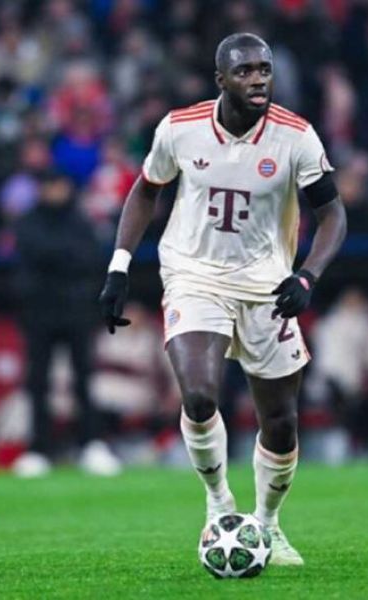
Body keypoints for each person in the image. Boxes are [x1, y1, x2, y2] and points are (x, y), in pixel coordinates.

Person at [98, 33, 347, 565]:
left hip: (266, 285)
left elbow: (333, 215)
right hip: (194, 275)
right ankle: (218, 505)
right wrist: (120, 265)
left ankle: (268, 525)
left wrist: (307, 276)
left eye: (264, 69)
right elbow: (146, 189)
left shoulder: (296, 136)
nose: (258, 79)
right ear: (221, 80)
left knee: (280, 422)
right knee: (199, 396)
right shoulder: (179, 128)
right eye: (245, 71)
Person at [13, 168, 122, 477]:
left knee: (84, 379)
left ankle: (91, 445)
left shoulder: (79, 221)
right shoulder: (29, 222)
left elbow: (88, 258)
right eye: (48, 185)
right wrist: (63, 258)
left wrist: (54, 258)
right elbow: (34, 253)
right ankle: (38, 449)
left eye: (58, 184)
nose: (54, 191)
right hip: (40, 312)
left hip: (76, 312)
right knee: (38, 382)